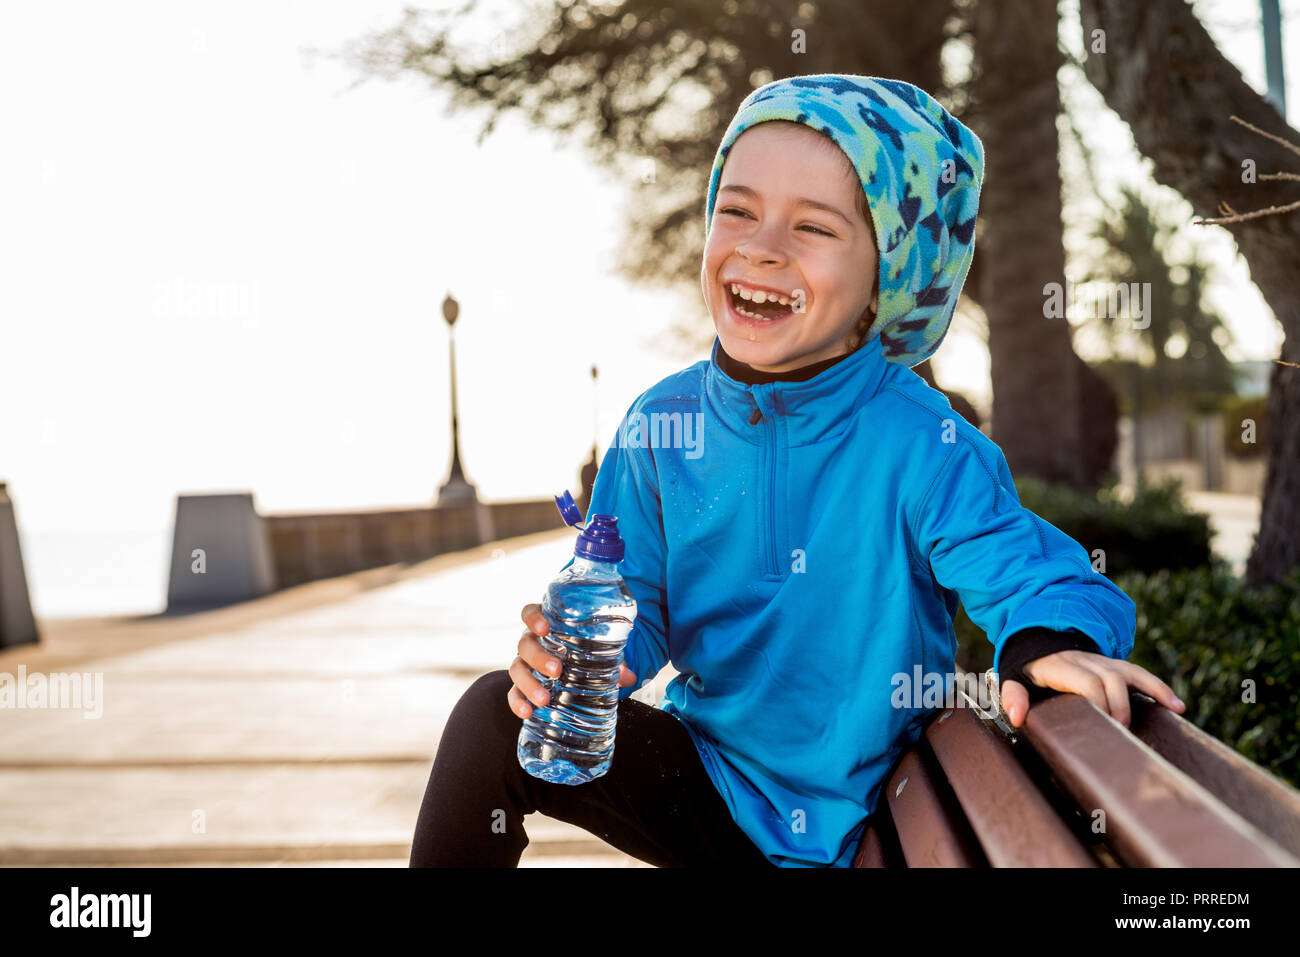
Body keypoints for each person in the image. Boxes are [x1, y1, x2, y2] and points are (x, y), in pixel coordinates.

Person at [409, 73, 1185, 868]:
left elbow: (1040, 576)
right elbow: (640, 609)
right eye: (736, 209)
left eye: (813, 227)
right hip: (710, 785)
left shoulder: (919, 443)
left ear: (884, 282)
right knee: (489, 719)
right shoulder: (659, 425)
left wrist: (1044, 641)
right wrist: (581, 661)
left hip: (854, 821)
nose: (761, 247)